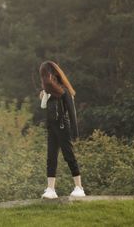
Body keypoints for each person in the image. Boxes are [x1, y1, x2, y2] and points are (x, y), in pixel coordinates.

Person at [38, 60, 86, 199]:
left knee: (68, 155)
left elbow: (72, 112)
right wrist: (44, 95)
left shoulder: (64, 91)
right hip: (52, 128)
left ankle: (79, 187)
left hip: (63, 127)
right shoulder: (48, 92)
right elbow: (43, 106)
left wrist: (75, 132)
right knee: (51, 158)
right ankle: (50, 189)